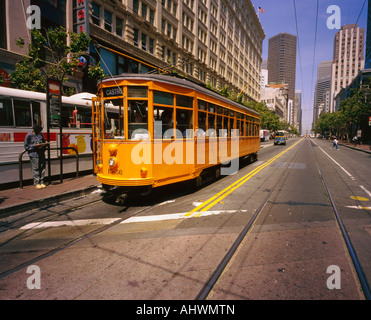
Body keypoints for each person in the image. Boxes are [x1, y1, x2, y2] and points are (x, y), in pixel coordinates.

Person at [24, 124, 48, 189]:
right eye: (38, 131)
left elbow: (43, 141)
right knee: (36, 168)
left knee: (42, 167)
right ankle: (37, 183)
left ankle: (42, 182)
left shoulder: (41, 134)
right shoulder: (29, 135)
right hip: (34, 154)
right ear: (34, 130)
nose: (39, 132)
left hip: (41, 153)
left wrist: (44, 145)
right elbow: (26, 146)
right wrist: (34, 146)